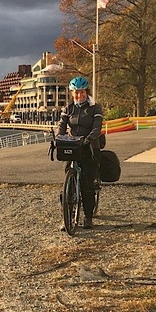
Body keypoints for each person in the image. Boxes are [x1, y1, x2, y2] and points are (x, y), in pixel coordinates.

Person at [57, 76, 104, 229]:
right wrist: (59, 138)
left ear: (86, 92)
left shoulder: (95, 107)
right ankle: (67, 216)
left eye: (82, 92)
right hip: (73, 145)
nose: (79, 95)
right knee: (68, 181)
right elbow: (62, 126)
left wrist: (89, 139)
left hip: (89, 145)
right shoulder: (68, 108)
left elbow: (97, 127)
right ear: (72, 93)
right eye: (76, 92)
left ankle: (88, 217)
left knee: (86, 183)